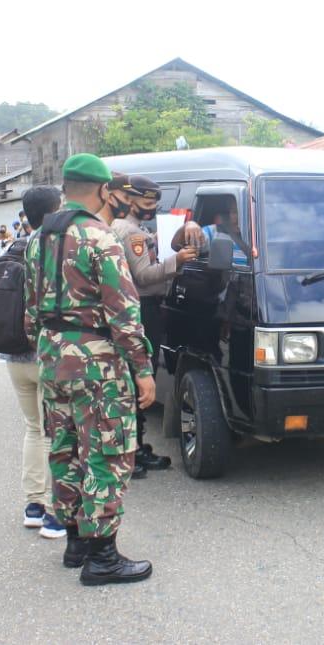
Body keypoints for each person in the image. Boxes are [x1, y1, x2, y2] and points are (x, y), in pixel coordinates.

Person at [29, 153, 155, 586]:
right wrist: (142, 367)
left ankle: (75, 542)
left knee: (64, 448)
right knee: (106, 450)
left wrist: (49, 348)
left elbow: (31, 311)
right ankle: (103, 557)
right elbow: (124, 312)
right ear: (103, 191)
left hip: (52, 357)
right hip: (97, 360)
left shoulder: (37, 238)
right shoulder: (100, 239)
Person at [111, 175, 198, 474]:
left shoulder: (124, 228)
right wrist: (179, 261)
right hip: (143, 307)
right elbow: (145, 276)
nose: (151, 208)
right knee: (139, 377)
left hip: (135, 308)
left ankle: (134, 447)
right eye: (147, 203)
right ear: (129, 199)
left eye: (154, 204)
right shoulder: (131, 233)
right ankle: (132, 453)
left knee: (133, 378)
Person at [5, 185, 65, 539]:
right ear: (56, 208)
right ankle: (54, 513)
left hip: (14, 353)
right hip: (46, 351)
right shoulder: (55, 243)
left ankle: (33, 505)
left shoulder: (16, 247)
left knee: (33, 428)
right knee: (56, 434)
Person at [172, 199, 249, 267]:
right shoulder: (213, 232)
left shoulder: (258, 236)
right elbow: (177, 246)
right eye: (234, 212)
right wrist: (188, 225)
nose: (239, 217)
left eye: (243, 212)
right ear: (229, 213)